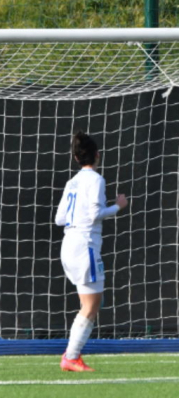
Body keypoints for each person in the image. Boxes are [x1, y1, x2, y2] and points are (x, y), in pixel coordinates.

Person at [55, 131, 128, 372]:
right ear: (97, 155)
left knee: (90, 303)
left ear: (76, 158)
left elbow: (59, 219)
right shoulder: (96, 180)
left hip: (68, 244)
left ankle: (72, 355)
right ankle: (71, 356)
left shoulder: (71, 182)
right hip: (84, 245)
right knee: (92, 305)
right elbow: (96, 213)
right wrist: (118, 206)